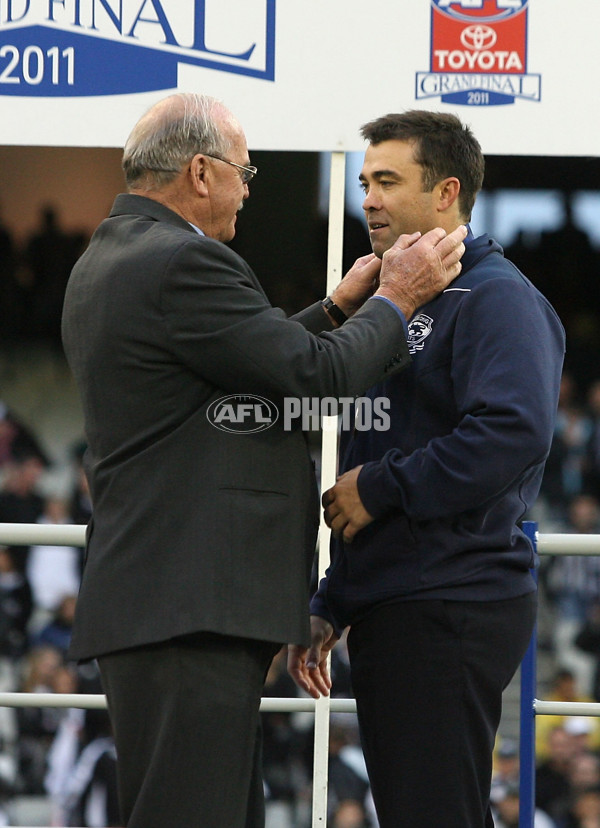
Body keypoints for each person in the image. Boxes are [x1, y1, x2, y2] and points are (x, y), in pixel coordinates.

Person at [60, 92, 467, 828]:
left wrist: (339, 310)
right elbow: (317, 379)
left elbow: (239, 372)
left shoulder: (118, 253)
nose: (249, 189)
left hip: (165, 599)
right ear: (201, 172)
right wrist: (398, 299)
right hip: (190, 606)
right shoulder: (186, 262)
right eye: (245, 172)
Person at [288, 110, 566, 828]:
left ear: (447, 192)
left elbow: (512, 432)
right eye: (362, 182)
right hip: (402, 602)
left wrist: (381, 489)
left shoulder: (499, 298)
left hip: (450, 604)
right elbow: (372, 452)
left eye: (386, 181)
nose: (368, 200)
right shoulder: (392, 299)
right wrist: (335, 597)